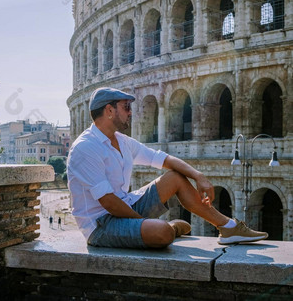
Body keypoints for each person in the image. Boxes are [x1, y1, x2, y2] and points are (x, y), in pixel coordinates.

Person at [67, 87, 268, 249]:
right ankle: (170, 229)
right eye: (126, 107)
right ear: (109, 111)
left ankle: (229, 227)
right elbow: (108, 202)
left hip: (125, 205)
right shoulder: (86, 147)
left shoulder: (122, 141)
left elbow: (161, 158)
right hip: (101, 225)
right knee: (161, 233)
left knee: (175, 177)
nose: (131, 113)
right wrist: (139, 224)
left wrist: (199, 176)